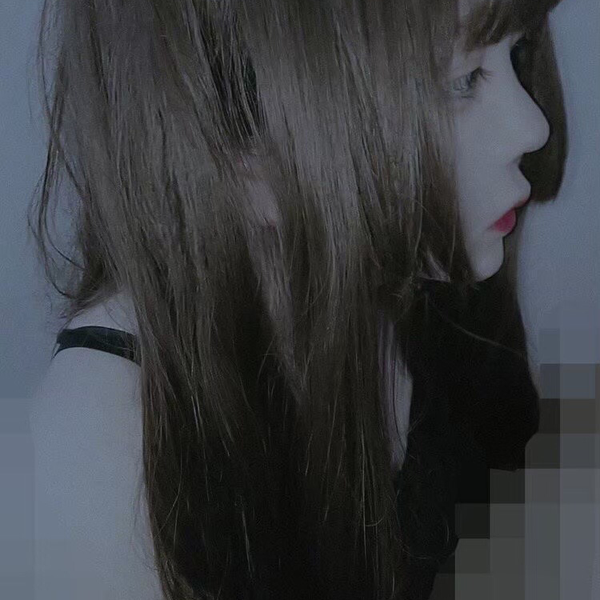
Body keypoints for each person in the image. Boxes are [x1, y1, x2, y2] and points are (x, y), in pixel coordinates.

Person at [27, 0, 568, 598]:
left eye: (518, 50)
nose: (532, 126)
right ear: (245, 151)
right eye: (463, 80)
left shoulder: (429, 281)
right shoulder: (99, 467)